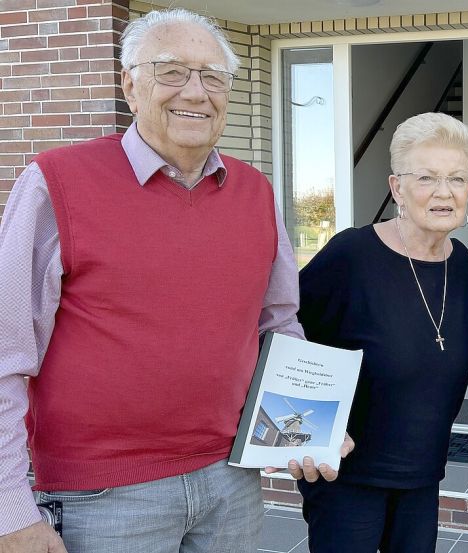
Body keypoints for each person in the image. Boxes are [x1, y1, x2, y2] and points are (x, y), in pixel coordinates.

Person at [0, 8, 348, 553]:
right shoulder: (56, 183)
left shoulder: (255, 191)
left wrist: (306, 426)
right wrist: (8, 508)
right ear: (129, 86)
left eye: (212, 76)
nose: (196, 91)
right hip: (103, 495)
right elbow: (5, 352)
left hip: (230, 480)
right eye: (170, 71)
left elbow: (277, 323)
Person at [296, 112, 468, 553]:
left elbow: (436, 337)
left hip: (423, 474)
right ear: (397, 188)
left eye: (457, 178)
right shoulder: (352, 256)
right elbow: (283, 330)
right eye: (427, 178)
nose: (444, 192)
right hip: (349, 476)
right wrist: (305, 429)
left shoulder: (459, 259)